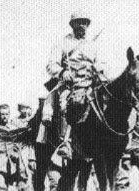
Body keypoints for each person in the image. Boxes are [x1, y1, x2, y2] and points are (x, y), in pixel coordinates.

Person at [43, 11, 108, 159]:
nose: (82, 26)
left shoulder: (93, 45)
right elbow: (51, 65)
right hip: (70, 85)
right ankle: (65, 142)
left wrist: (101, 72)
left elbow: (101, 64)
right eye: (78, 22)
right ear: (72, 25)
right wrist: (61, 72)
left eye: (84, 23)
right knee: (66, 103)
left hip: (91, 84)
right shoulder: (63, 43)